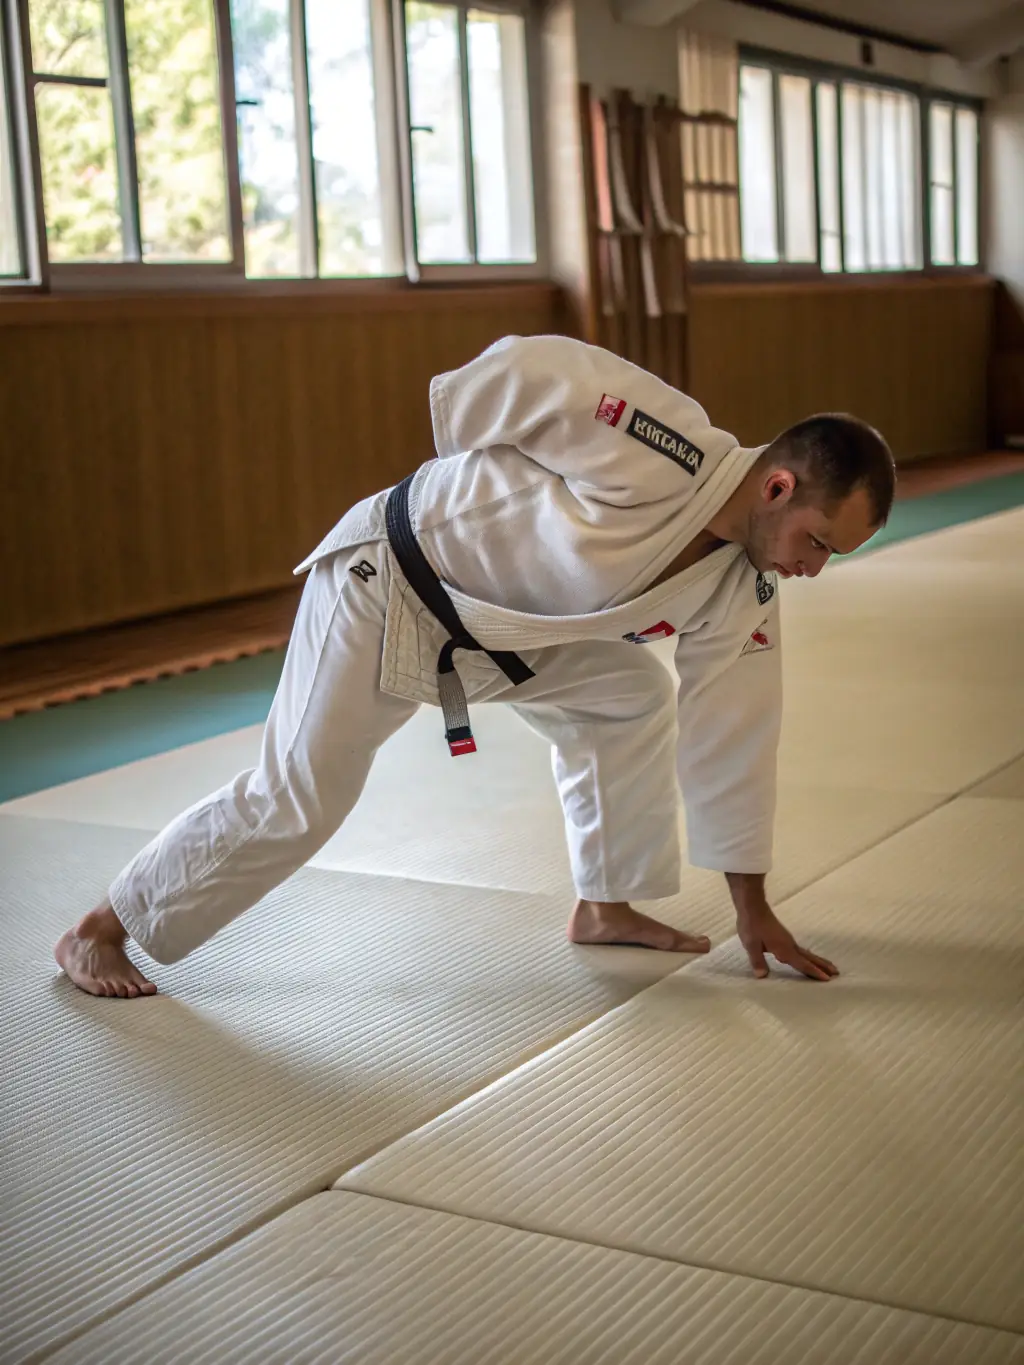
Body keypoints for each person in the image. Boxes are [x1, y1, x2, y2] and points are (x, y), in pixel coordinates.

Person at [55, 334, 895, 999]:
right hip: (387, 581)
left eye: (833, 557)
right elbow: (531, 367)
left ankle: (606, 902)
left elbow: (734, 735)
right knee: (302, 794)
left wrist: (753, 910)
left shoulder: (743, 581)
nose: (811, 568)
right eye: (816, 543)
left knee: (631, 692)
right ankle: (105, 923)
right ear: (777, 488)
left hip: (505, 631)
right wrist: (464, 476)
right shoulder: (659, 441)